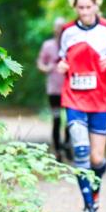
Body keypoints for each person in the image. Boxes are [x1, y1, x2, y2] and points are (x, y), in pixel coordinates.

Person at [57, 0, 106, 212]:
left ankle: (95, 193)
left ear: (97, 5)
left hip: (102, 98)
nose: (85, 12)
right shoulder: (68, 31)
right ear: (75, 7)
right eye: (80, 7)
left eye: (89, 7)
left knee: (96, 158)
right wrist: (61, 66)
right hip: (74, 97)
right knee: (80, 150)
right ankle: (88, 203)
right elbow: (61, 58)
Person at [36, 16, 68, 161]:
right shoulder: (47, 45)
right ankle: (58, 150)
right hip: (54, 89)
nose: (59, 30)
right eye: (57, 27)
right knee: (56, 120)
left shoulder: (70, 44)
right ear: (54, 29)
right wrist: (46, 68)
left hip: (69, 90)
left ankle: (67, 145)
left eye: (62, 27)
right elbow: (40, 63)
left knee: (71, 121)